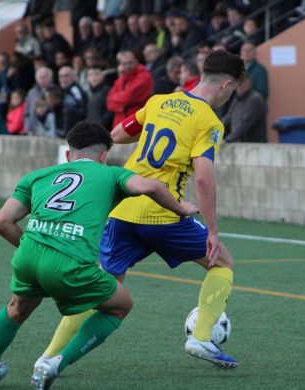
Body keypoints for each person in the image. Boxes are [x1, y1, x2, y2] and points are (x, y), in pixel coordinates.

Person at [34, 50, 245, 371]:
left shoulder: (160, 102)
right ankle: (201, 336)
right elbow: (203, 177)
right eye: (233, 90)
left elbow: (114, 136)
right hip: (164, 213)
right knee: (223, 263)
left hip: (123, 209)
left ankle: (48, 358)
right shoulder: (209, 121)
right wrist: (213, 231)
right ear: (227, 85)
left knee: (101, 289)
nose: (231, 96)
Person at [0, 122, 198, 390]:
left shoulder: (37, 176)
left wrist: (35, 246)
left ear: (68, 154)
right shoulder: (111, 174)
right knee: (120, 306)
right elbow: (153, 187)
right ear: (103, 155)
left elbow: (1, 222)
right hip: (69, 262)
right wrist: (180, 208)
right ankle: (54, 364)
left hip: (29, 255)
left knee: (17, 308)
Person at [106, 50, 153, 127]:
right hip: (121, 123)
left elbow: (128, 97)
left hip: (135, 124)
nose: (127, 66)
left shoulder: (144, 76)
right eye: (124, 64)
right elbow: (109, 102)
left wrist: (118, 101)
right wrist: (123, 105)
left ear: (136, 61)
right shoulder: (124, 76)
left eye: (130, 63)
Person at [222, 74, 267, 143]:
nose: (239, 86)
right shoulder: (237, 99)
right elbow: (227, 118)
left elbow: (245, 124)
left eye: (241, 83)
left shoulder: (255, 99)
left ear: (248, 82)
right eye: (237, 84)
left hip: (254, 146)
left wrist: (228, 139)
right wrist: (214, 128)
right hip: (241, 145)